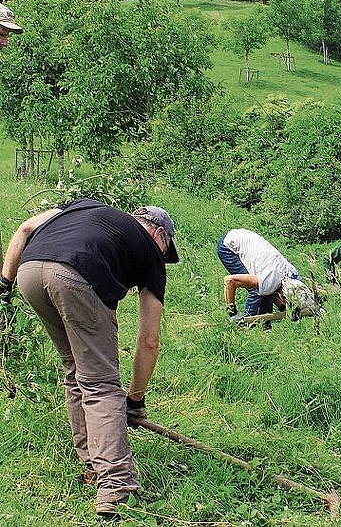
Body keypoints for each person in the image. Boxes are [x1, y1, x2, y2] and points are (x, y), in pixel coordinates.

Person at [0, 198, 179, 518]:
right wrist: (135, 400)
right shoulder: (151, 252)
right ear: (159, 235)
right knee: (101, 383)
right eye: (166, 251)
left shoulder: (85, 206)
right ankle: (116, 485)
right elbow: (149, 340)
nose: (163, 257)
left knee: (75, 370)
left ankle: (92, 466)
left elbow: (26, 228)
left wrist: (4, 282)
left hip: (30, 270)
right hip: (77, 276)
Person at [217, 229, 318, 323]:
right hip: (229, 246)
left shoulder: (294, 276)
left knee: (266, 291)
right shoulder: (269, 280)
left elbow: (276, 290)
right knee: (257, 291)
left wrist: (284, 308)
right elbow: (229, 281)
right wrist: (232, 312)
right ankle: (250, 328)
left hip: (247, 239)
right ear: (283, 296)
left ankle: (265, 328)